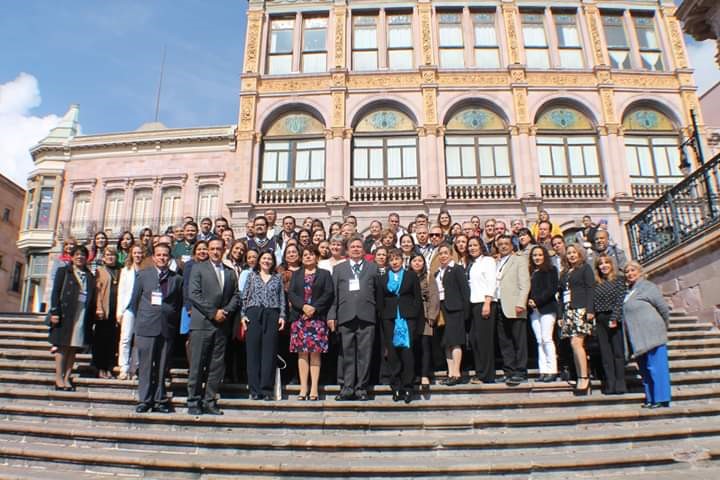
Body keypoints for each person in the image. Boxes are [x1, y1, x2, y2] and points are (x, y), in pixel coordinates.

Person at [187, 238, 242, 414]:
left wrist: (225, 311)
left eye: (219, 248)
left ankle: (210, 400)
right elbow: (194, 294)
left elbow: (236, 295)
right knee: (197, 364)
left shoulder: (230, 272)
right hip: (202, 323)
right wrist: (213, 312)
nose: (216, 251)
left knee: (216, 366)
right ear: (208, 250)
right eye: (212, 249)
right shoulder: (198, 268)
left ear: (224, 249)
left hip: (221, 325)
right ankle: (194, 401)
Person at [127, 243, 183, 413]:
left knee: (162, 366)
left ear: (169, 258)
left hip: (166, 327)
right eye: (159, 255)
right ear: (153, 258)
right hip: (146, 327)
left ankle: (159, 399)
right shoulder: (143, 275)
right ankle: (144, 400)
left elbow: (177, 303)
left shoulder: (177, 279)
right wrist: (146, 316)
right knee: (145, 366)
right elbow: (135, 301)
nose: (162, 258)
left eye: (165, 255)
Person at [327, 235, 378, 401]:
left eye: (359, 246)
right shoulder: (339, 269)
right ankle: (347, 388)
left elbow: (378, 293)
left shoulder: (372, 268)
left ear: (363, 250)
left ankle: (361, 389)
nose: (356, 249)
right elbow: (334, 295)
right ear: (347, 250)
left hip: (367, 316)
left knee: (365, 354)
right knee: (346, 354)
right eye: (353, 247)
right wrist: (332, 315)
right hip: (345, 316)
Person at [288, 245, 333, 401]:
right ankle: (303, 387)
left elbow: (329, 293)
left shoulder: (325, 274)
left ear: (317, 257)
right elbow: (291, 293)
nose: (308, 257)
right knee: (302, 353)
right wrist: (303, 307)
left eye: (311, 254)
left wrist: (314, 308)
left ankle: (314, 388)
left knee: (315, 353)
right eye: (305, 255)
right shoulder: (296, 274)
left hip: (317, 318)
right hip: (300, 319)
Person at [623, 261, 671, 408]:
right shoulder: (629, 291)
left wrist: (663, 326)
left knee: (657, 368)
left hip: (652, 334)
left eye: (633, 270)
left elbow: (663, 308)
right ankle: (651, 398)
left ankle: (661, 398)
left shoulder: (647, 287)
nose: (630, 274)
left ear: (640, 272)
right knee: (645, 369)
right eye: (627, 271)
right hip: (638, 337)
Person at [376, 249, 422, 403]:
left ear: (402, 260)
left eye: (397, 259)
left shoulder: (411, 276)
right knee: (393, 354)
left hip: (407, 318)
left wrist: (415, 317)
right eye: (392, 259)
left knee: (407, 353)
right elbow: (380, 301)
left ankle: (408, 387)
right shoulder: (382, 279)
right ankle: (396, 387)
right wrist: (384, 316)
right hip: (389, 319)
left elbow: (417, 299)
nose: (394, 262)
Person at [48, 245, 95, 391]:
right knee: (62, 346)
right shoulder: (64, 271)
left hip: (81, 313)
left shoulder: (89, 275)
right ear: (72, 257)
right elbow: (55, 292)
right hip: (65, 312)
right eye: (77, 255)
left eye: (83, 255)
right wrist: (55, 311)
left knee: (73, 348)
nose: (80, 257)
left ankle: (67, 377)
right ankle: (58, 378)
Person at [241, 251, 286, 400]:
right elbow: (245, 296)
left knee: (269, 352)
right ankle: (255, 390)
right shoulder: (252, 276)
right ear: (259, 261)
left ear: (273, 262)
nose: (266, 261)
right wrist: (243, 315)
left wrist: (282, 316)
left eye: (269, 259)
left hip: (272, 314)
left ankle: (266, 390)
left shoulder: (277, 278)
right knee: (253, 352)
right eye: (264, 258)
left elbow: (282, 298)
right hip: (254, 313)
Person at [558, 243, 595, 395]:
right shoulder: (565, 272)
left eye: (574, 252)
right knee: (574, 345)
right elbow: (561, 294)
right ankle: (580, 375)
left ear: (580, 254)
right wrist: (560, 314)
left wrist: (590, 309)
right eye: (569, 253)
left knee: (576, 343)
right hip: (568, 310)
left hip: (581, 308)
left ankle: (584, 377)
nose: (572, 255)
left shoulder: (585, 268)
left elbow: (590, 288)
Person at [495, 235, 531, 386]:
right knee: (505, 341)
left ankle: (521, 370)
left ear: (512, 246)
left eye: (506, 244)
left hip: (515, 305)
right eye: (501, 244)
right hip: (499, 304)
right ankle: (509, 370)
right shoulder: (497, 262)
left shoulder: (519, 260)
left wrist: (521, 303)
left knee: (519, 340)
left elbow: (525, 283)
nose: (503, 246)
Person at [434, 243, 470, 385]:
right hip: (442, 310)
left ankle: (457, 373)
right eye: (440, 253)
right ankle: (450, 373)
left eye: (445, 253)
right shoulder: (438, 272)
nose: (443, 256)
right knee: (446, 343)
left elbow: (465, 291)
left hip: (455, 310)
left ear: (450, 254)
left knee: (455, 342)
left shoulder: (457, 269)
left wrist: (465, 313)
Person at [593, 253, 628, 395]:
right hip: (600, 319)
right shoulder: (596, 282)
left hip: (614, 318)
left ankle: (620, 383)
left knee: (617, 353)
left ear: (611, 264)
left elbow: (620, 300)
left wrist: (614, 318)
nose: (603, 266)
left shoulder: (619, 280)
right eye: (600, 264)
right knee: (605, 353)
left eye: (606, 263)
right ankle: (610, 383)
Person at [466, 237, 497, 384]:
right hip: (474, 304)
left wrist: (487, 302)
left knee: (484, 341)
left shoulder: (488, 261)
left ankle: (487, 375)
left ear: (481, 246)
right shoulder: (472, 264)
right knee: (475, 339)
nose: (472, 248)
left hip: (485, 303)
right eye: (470, 246)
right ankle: (480, 372)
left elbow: (492, 281)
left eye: (475, 245)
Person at [527, 245, 559, 382]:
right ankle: (543, 370)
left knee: (547, 338)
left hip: (547, 308)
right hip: (534, 311)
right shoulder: (531, 271)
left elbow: (551, 289)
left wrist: (537, 301)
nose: (537, 258)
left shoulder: (551, 270)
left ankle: (552, 370)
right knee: (539, 340)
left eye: (540, 255)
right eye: (534, 255)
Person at [409, 253, 439, 390]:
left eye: (419, 261)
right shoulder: (406, 277)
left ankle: (425, 375)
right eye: (414, 260)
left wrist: (432, 315)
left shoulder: (428, 276)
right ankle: (413, 374)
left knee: (425, 345)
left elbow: (434, 296)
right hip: (410, 316)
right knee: (412, 346)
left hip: (425, 314)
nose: (417, 263)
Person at [117, 243, 145, 380]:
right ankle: (124, 367)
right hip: (129, 307)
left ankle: (135, 368)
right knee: (126, 338)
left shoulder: (147, 270)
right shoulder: (126, 270)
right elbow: (121, 292)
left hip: (143, 309)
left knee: (138, 340)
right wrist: (119, 311)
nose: (138, 255)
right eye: (135, 253)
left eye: (140, 253)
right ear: (131, 254)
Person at [94, 247, 120, 379]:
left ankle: (109, 367)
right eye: (108, 255)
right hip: (104, 311)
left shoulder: (119, 271)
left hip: (116, 312)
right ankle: (100, 367)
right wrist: (99, 307)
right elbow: (97, 291)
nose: (110, 257)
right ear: (103, 257)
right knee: (101, 340)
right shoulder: (100, 271)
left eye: (113, 255)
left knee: (112, 341)